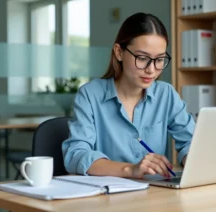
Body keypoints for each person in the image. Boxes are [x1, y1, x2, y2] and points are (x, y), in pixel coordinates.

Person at [62, 12, 195, 179]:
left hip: (156, 196)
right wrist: (130, 169)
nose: (151, 69)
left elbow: (191, 142)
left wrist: (194, 160)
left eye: (159, 59)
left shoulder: (165, 94)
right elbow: (76, 155)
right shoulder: (90, 95)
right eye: (142, 58)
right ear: (119, 52)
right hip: (108, 197)